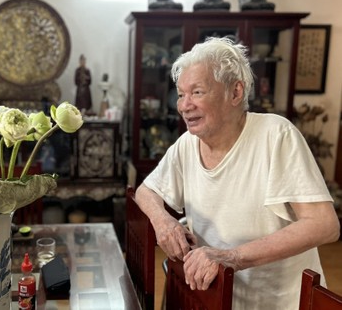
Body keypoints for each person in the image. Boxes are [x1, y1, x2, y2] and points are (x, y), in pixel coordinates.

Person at [135, 37, 340, 309]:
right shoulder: (188, 144)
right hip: (216, 297)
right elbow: (145, 191)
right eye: (181, 94)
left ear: (235, 92)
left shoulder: (275, 135)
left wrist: (230, 257)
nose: (184, 105)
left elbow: (324, 225)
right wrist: (164, 222)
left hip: (278, 302)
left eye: (197, 92)